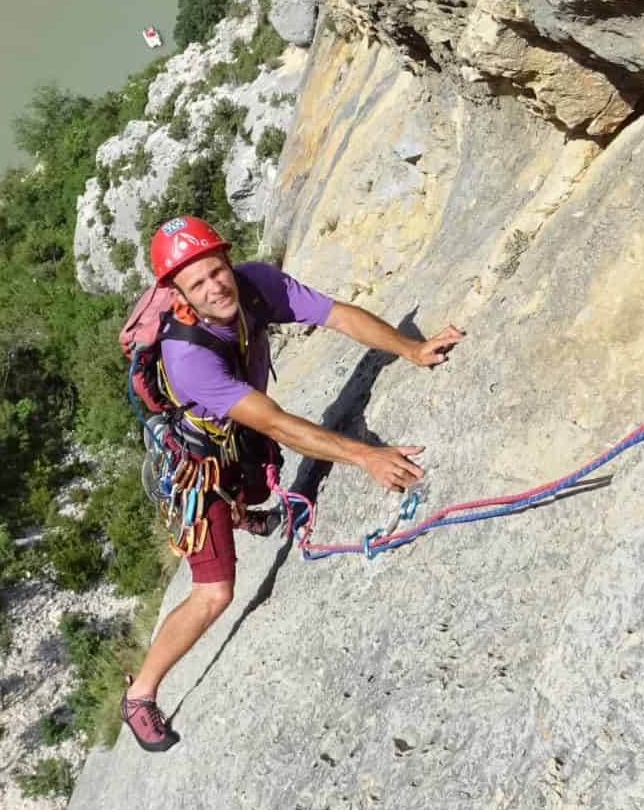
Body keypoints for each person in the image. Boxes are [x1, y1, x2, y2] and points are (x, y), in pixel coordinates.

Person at [120, 215, 464, 752]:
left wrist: (409, 349)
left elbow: (337, 315)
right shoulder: (186, 355)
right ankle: (139, 695)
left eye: (218, 271)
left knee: (260, 483)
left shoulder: (256, 284)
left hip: (240, 433)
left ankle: (245, 509)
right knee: (215, 593)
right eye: (198, 284)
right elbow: (276, 422)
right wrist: (366, 457)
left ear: (229, 262)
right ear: (178, 295)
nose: (216, 287)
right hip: (199, 464)